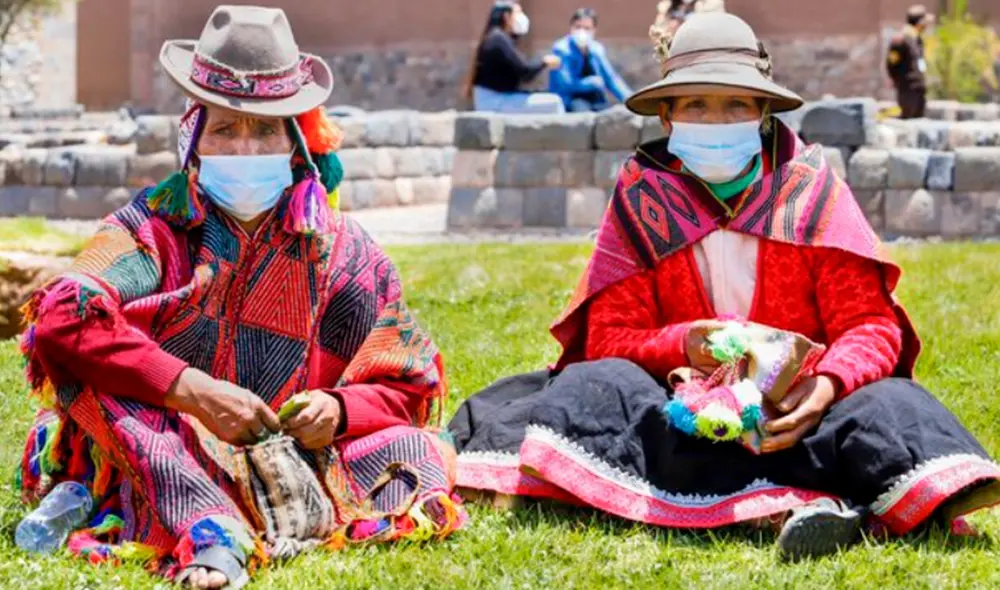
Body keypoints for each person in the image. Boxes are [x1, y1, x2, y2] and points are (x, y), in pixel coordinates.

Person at [449, 13, 1000, 561]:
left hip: (800, 414)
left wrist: (825, 388)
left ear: (763, 112)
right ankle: (820, 502)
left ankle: (791, 498)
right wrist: (685, 346)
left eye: (736, 103)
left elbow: (869, 326)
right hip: (678, 410)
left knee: (890, 405)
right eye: (696, 105)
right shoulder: (644, 198)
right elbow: (610, 335)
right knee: (594, 386)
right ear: (667, 116)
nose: (717, 119)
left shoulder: (811, 193)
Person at [16, 6, 464, 588]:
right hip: (168, 437)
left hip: (295, 454)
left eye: (266, 130)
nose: (246, 150)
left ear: (298, 141)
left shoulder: (346, 251)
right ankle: (213, 526)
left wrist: (340, 410)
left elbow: (408, 382)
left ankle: (158, 506)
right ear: (194, 138)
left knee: (418, 450)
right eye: (226, 129)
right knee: (114, 406)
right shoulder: (151, 228)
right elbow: (62, 316)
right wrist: (193, 392)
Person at [465, 1, 565, 114]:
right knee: (554, 103)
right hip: (494, 101)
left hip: (501, 97)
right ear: (506, 16)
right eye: (518, 13)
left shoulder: (500, 38)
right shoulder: (498, 39)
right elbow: (525, 72)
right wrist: (544, 62)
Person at [548, 8, 632, 112]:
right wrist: (589, 83)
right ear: (571, 28)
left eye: (587, 28)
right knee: (583, 113)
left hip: (595, 98)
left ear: (594, 30)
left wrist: (630, 100)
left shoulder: (596, 49)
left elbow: (611, 78)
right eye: (578, 27)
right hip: (571, 100)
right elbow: (565, 84)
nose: (582, 31)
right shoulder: (561, 49)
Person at [887, 5, 935, 119]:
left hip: (918, 89)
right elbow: (891, 64)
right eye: (925, 23)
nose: (927, 26)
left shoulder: (917, 39)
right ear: (919, 23)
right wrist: (898, 81)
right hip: (907, 89)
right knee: (909, 120)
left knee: (918, 120)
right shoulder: (901, 40)